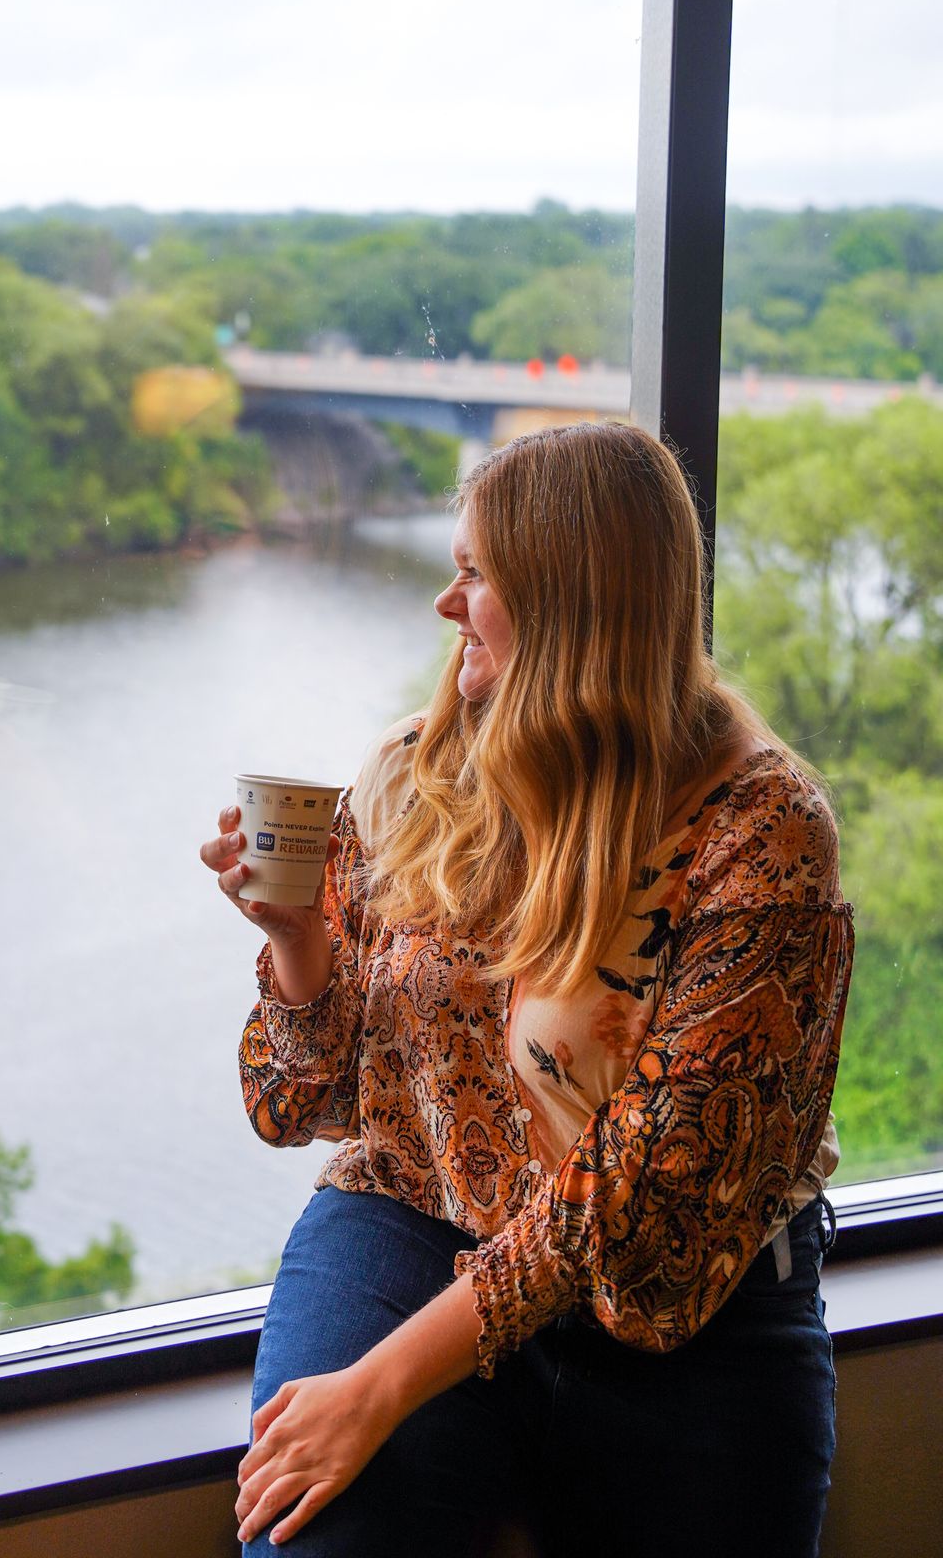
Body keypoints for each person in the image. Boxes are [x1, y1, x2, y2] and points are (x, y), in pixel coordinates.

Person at [200, 421, 854, 1558]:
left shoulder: (762, 830)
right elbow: (299, 1105)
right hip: (413, 1227)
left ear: (571, 601)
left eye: (475, 576)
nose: (446, 606)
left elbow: (645, 1199)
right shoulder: (415, 773)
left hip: (684, 1305)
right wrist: (301, 941)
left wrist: (380, 1387)